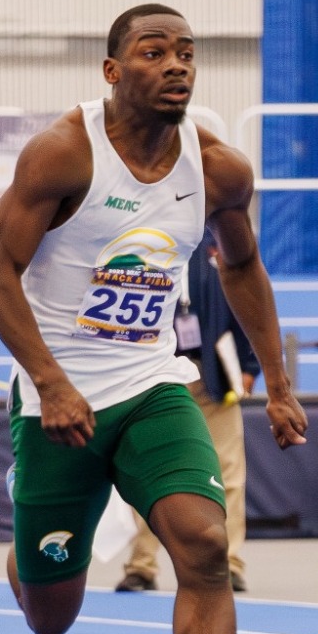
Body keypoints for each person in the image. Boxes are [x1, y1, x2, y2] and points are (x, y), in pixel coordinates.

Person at [0, 4, 308, 634]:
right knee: (51, 616)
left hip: (155, 383)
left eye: (186, 53)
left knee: (202, 543)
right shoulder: (63, 155)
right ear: (113, 70)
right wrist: (50, 383)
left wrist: (279, 381)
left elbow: (243, 270)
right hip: (59, 398)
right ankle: (31, 550)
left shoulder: (220, 170)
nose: (176, 66)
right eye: (153, 52)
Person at [118, 231, 259, 594]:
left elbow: (247, 295)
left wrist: (249, 364)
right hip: (156, 378)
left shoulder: (217, 238)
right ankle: (142, 566)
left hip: (213, 376)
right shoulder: (140, 241)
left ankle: (229, 563)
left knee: (228, 471)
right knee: (147, 475)